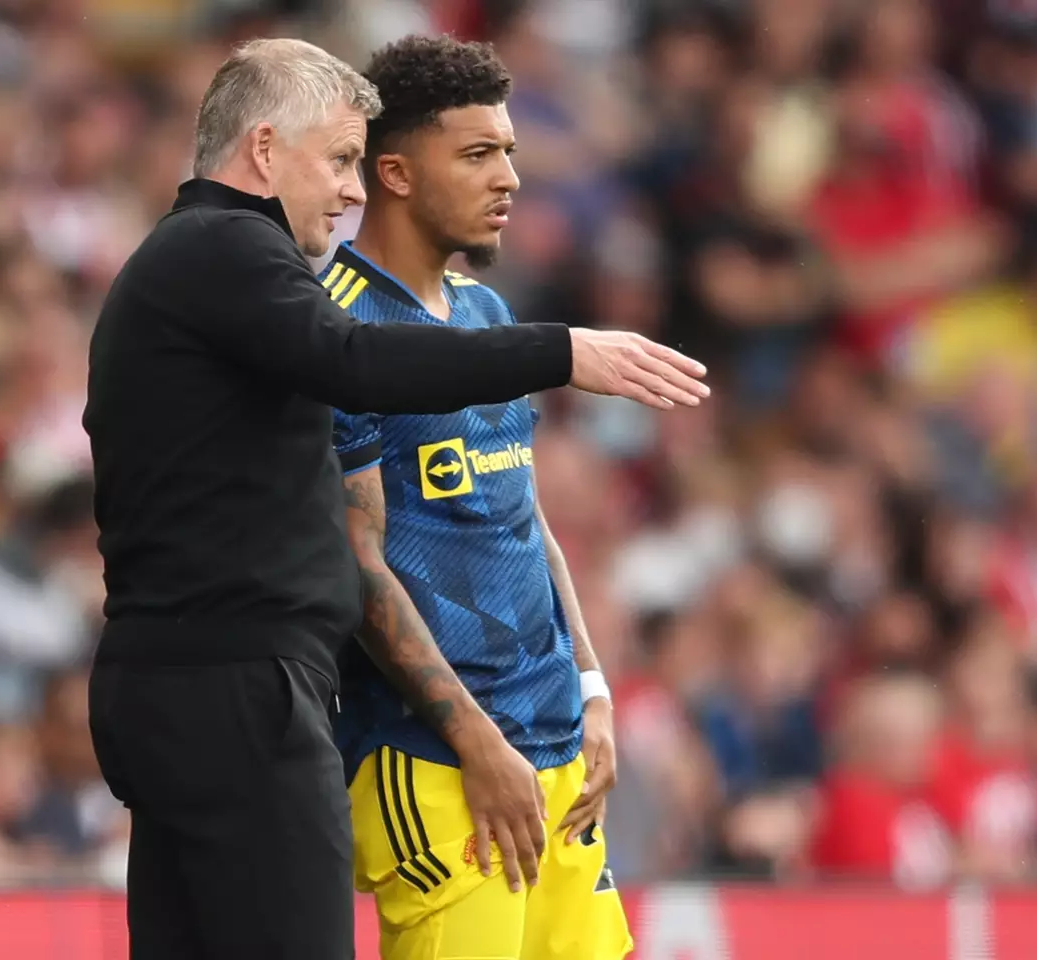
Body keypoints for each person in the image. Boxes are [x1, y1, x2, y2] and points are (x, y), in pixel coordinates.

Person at [82, 38, 706, 960]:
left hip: (223, 677)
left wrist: (588, 685)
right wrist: (563, 350)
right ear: (264, 151)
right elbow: (354, 367)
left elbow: (519, 516)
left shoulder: (222, 271)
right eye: (338, 160)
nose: (349, 190)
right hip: (255, 687)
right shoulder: (231, 254)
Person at [328, 37, 633, 959]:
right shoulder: (334, 329)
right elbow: (356, 558)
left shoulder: (487, 317)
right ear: (396, 173)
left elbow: (521, 517)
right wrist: (475, 743)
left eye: (508, 151)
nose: (509, 177)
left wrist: (591, 688)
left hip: (555, 753)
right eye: (477, 154)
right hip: (435, 766)